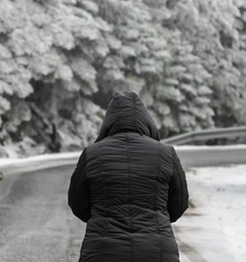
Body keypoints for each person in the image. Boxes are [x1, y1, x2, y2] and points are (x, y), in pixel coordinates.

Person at [68, 91, 189, 262]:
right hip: (157, 250)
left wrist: (102, 218)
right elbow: (180, 203)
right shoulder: (166, 153)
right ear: (146, 120)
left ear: (108, 121)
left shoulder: (92, 154)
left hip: (103, 251)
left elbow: (77, 202)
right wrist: (157, 218)